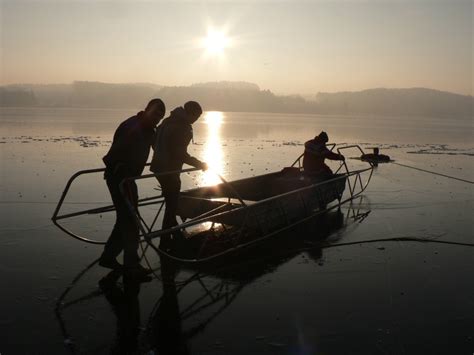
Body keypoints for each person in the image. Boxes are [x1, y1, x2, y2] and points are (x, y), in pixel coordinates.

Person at [99, 98, 166, 273]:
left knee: (125, 218)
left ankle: (108, 257)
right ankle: (131, 264)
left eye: (160, 117)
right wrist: (121, 168)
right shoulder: (132, 126)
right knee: (131, 221)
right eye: (155, 114)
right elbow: (116, 152)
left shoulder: (150, 129)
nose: (157, 119)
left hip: (128, 178)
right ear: (147, 109)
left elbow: (159, 148)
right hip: (121, 178)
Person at [150, 101, 207, 248]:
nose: (196, 120)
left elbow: (154, 142)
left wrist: (161, 154)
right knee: (171, 207)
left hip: (158, 168)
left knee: (171, 203)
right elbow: (180, 153)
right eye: (196, 116)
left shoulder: (168, 121)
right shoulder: (182, 127)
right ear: (191, 113)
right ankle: (165, 240)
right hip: (170, 171)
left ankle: (175, 235)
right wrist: (199, 164)